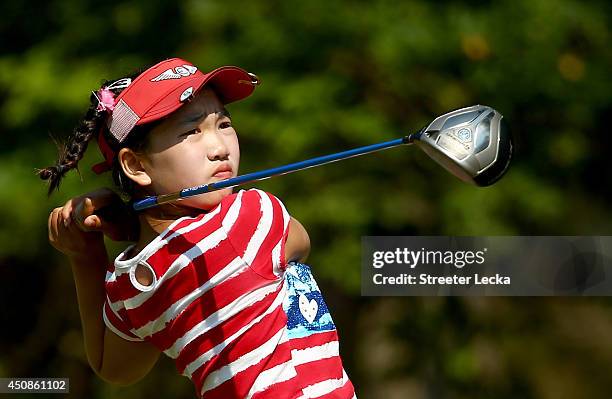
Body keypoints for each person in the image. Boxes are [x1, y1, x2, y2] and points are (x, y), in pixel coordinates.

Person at [39, 58, 357, 398]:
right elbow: (300, 239)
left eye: (223, 124)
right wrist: (131, 225)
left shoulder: (128, 284)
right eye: (192, 131)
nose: (220, 148)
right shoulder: (249, 216)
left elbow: (113, 367)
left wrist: (85, 254)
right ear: (135, 164)